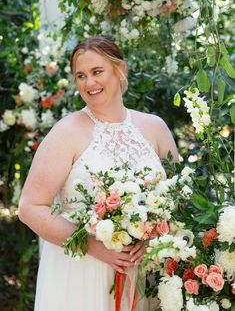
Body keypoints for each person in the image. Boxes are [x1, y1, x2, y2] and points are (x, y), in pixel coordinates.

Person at [18, 36, 179, 311]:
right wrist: (93, 246)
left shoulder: (155, 128)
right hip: (82, 272)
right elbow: (29, 207)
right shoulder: (66, 132)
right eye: (80, 75)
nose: (89, 83)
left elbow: (176, 199)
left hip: (142, 271)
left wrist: (149, 236)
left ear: (121, 70)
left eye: (97, 72)